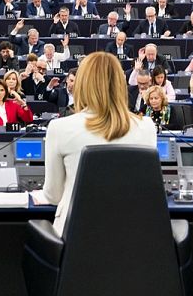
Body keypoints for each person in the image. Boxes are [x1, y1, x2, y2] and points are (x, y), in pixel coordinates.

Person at [41, 52, 158, 236]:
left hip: (74, 241)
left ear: (82, 84)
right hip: (132, 241)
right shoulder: (147, 127)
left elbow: (53, 195)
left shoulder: (59, 128)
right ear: (120, 84)